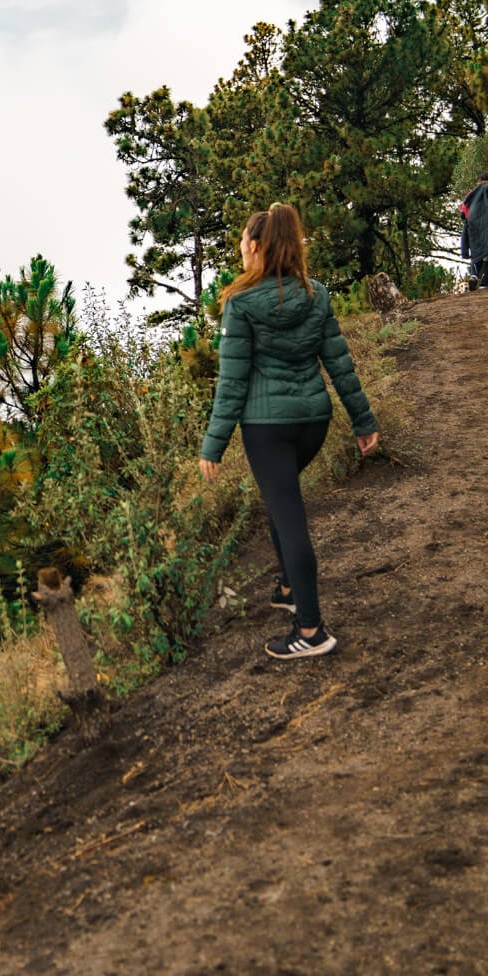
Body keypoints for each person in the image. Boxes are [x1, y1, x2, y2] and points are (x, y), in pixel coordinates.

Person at [198, 203, 379, 660]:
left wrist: (213, 444)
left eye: (242, 243)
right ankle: (286, 585)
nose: (241, 250)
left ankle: (311, 629)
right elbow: (340, 363)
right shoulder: (316, 294)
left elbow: (233, 382)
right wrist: (363, 420)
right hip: (312, 423)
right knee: (281, 501)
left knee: (288, 512)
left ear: (256, 247)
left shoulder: (240, 303)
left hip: (268, 427)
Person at [461, 172, 488, 290]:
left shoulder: (471, 193)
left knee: (477, 253)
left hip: (471, 226)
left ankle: (474, 276)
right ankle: (483, 285)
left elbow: (462, 214)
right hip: (487, 224)